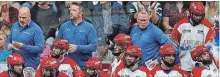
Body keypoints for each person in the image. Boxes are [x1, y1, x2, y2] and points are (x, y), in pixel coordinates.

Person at [171, 2, 215, 75]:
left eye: (200, 15)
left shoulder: (208, 26)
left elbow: (210, 47)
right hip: (184, 65)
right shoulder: (181, 25)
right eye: (196, 15)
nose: (198, 17)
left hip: (201, 67)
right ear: (190, 13)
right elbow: (174, 44)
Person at [56, 2, 97, 70]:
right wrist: (62, 46)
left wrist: (77, 48)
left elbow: (93, 46)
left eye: (74, 10)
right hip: (66, 67)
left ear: (81, 13)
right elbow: (56, 44)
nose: (71, 12)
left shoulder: (89, 27)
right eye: (70, 10)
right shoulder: (64, 26)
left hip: (83, 67)